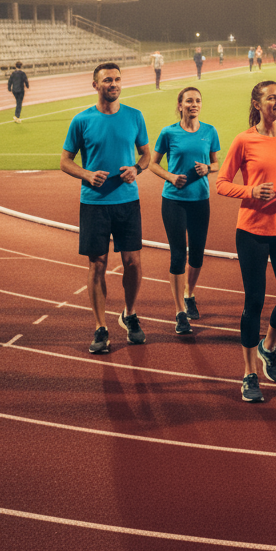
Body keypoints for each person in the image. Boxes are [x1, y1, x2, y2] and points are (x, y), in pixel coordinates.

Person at [216, 80, 276, 402]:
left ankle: (268, 347)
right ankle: (249, 374)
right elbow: (222, 183)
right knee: (253, 301)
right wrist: (250, 191)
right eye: (272, 98)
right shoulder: (244, 140)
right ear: (258, 104)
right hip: (252, 231)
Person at [60, 63, 151, 354]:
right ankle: (101, 327)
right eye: (107, 80)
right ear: (95, 85)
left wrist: (136, 169)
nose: (114, 84)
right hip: (94, 204)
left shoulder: (135, 116)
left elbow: (146, 155)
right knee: (97, 264)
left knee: (133, 262)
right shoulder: (81, 120)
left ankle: (130, 314)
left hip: (127, 201)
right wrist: (87, 174)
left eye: (117, 79)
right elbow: (65, 161)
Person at [149, 87, 220, 335]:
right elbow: (152, 164)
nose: (194, 104)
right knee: (178, 255)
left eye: (198, 100)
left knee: (197, 255)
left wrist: (207, 169)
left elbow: (217, 163)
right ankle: (180, 312)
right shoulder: (168, 133)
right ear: (180, 105)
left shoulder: (210, 131)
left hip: (200, 200)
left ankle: (189, 293)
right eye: (189, 101)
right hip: (174, 201)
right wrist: (170, 177)